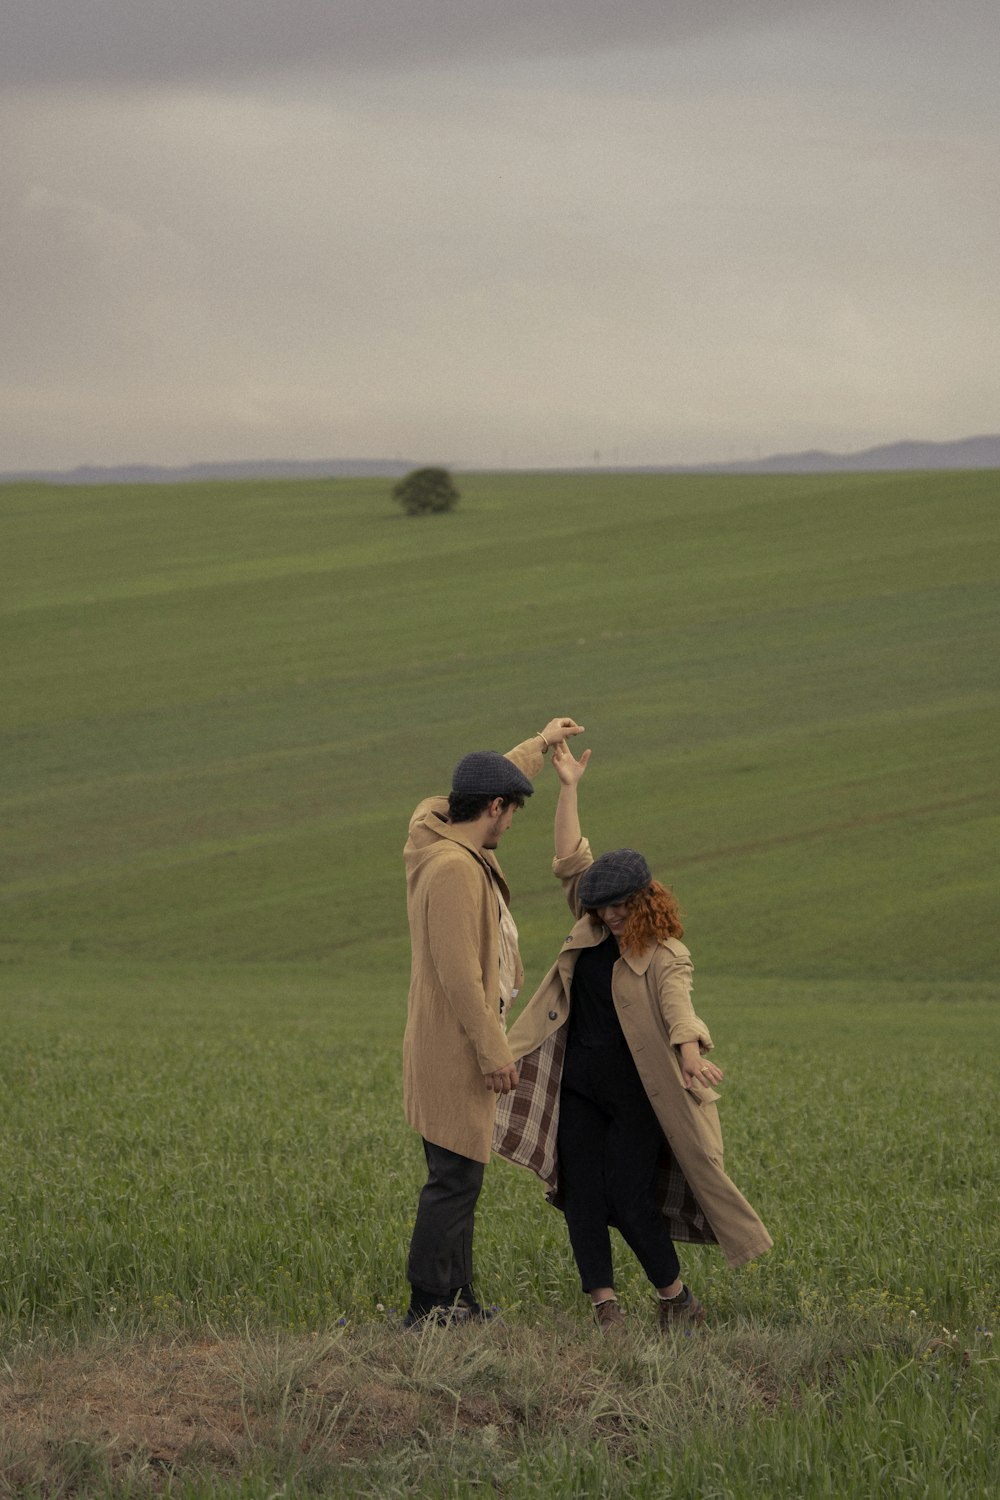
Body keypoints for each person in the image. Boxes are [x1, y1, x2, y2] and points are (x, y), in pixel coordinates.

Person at [494, 739, 772, 1334]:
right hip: (580, 1086)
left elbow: (680, 1007)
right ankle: (605, 1308)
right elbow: (570, 858)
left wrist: (692, 1052)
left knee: (629, 1195)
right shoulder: (590, 924)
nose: (610, 917)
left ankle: (676, 1299)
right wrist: (568, 787)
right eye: (601, 909)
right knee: (582, 1196)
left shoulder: (666, 952)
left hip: (641, 1094)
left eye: (620, 908)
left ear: (643, 901)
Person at [402, 716, 584, 1327]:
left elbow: (459, 792)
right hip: (457, 1046)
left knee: (460, 1177)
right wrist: (493, 1051)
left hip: (450, 1043)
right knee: (452, 1182)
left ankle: (458, 1302)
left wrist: (536, 746)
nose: (510, 825)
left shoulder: (432, 835)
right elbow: (459, 976)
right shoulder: (454, 869)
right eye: (510, 813)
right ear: (496, 808)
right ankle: (429, 1308)